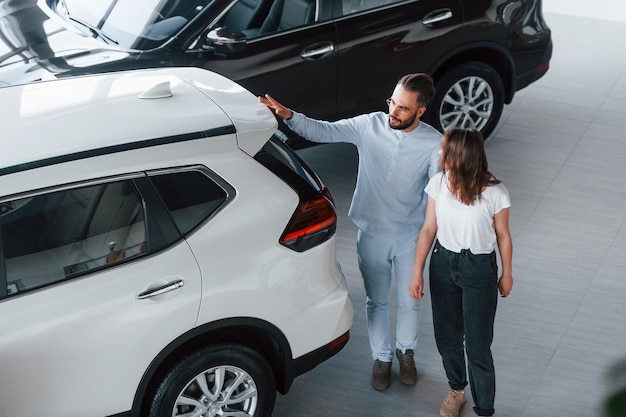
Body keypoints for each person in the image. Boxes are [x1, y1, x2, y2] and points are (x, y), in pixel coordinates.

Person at [259, 74, 442, 391]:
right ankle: (382, 358)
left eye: (402, 108)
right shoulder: (369, 125)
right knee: (377, 302)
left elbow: (436, 199)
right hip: (371, 233)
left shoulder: (434, 144)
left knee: (411, 301)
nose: (393, 112)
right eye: (392, 103)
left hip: (410, 236)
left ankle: (405, 351)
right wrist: (289, 116)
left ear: (421, 111)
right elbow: (325, 131)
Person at [409, 127, 513, 417]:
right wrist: (417, 271)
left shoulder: (495, 193)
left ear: (461, 155)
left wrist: (507, 273)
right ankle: (457, 389)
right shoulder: (438, 183)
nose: (440, 153)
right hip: (442, 265)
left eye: (445, 149)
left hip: (479, 269)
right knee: (447, 338)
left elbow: (503, 235)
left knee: (478, 345)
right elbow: (429, 228)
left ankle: (484, 409)